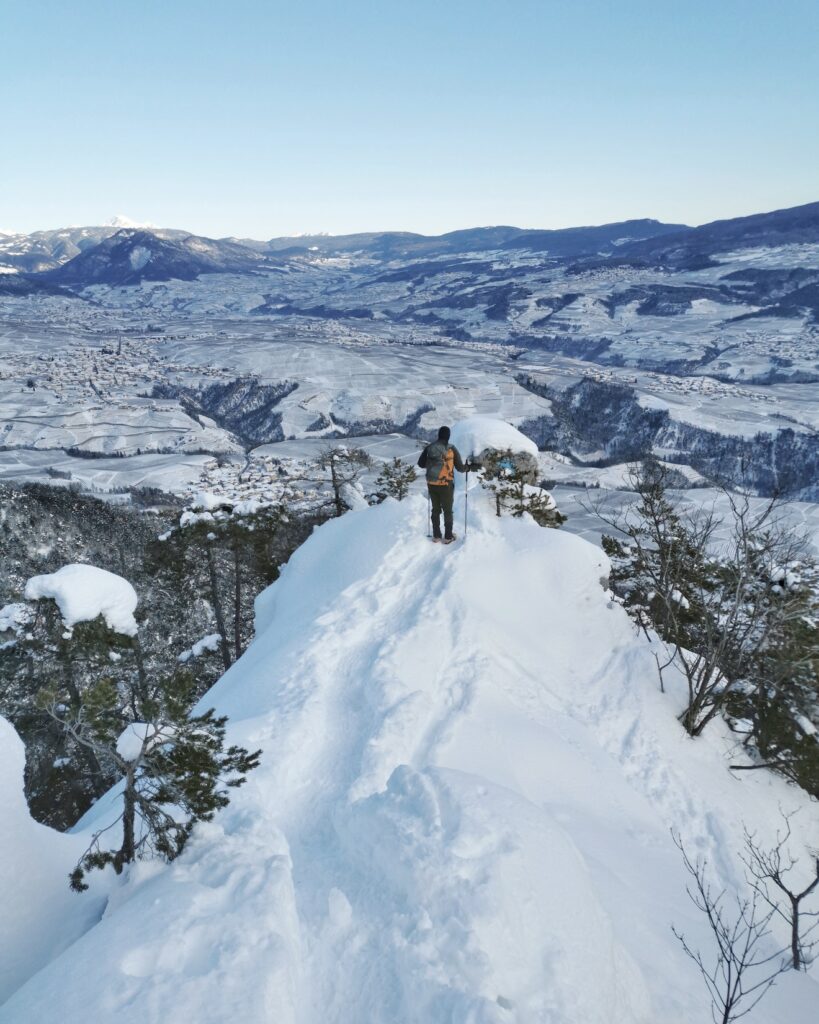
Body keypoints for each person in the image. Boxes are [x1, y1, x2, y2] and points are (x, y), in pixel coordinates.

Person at [417, 426, 468, 543]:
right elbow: (460, 468)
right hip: (446, 485)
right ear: (448, 436)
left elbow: (420, 464)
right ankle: (448, 537)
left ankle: (436, 536)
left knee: (435, 509)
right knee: (447, 510)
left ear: (438, 435)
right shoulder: (451, 449)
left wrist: (432, 464)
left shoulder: (430, 447)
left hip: (432, 484)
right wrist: (468, 467)